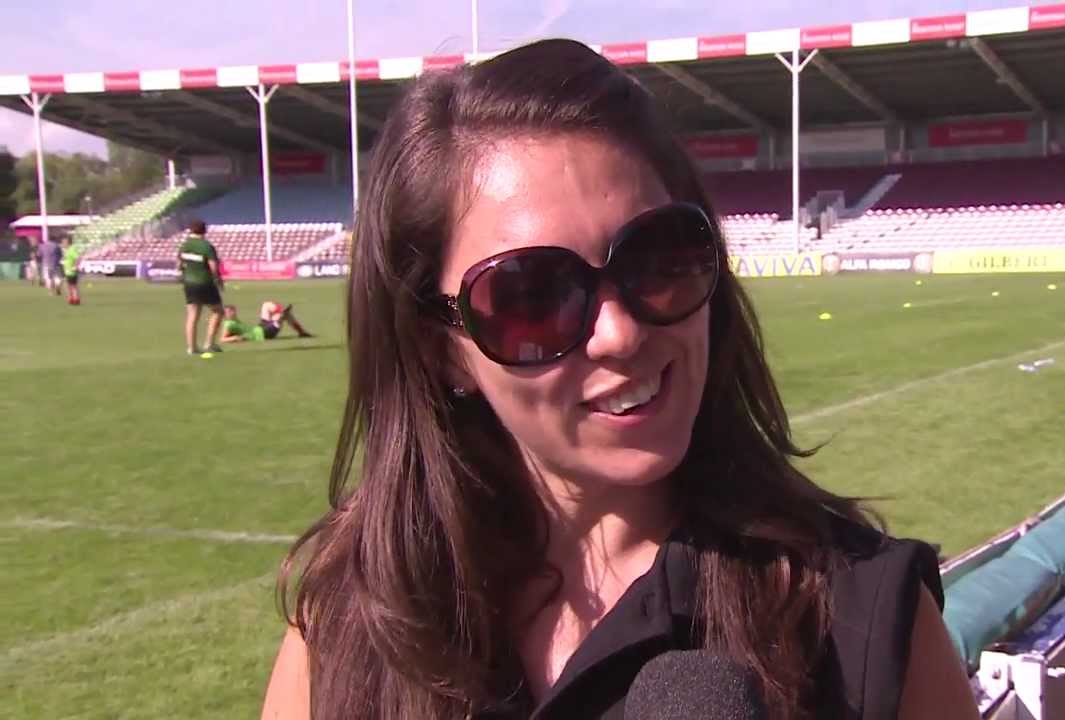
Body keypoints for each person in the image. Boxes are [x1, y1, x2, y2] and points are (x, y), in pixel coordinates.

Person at [262, 39, 976, 720]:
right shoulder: (346, 624)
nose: (621, 333)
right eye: (532, 296)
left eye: (659, 257)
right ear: (441, 349)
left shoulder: (863, 623)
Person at [177, 219, 225, 355]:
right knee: (218, 311)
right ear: (205, 230)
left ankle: (192, 347)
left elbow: (179, 264)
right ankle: (209, 343)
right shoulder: (206, 246)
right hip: (205, 282)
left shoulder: (185, 245)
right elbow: (213, 267)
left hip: (189, 283)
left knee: (192, 315)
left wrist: (185, 273)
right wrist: (219, 280)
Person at [220, 302, 313, 344]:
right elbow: (223, 339)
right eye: (228, 312)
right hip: (263, 334)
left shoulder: (234, 320)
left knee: (266, 305)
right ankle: (301, 332)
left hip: (259, 328)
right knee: (284, 316)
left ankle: (281, 312)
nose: (231, 313)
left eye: (232, 311)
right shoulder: (228, 324)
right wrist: (235, 338)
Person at [60, 238, 83, 305]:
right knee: (72, 285)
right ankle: (75, 299)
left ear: (68, 243)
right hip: (68, 270)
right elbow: (68, 258)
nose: (62, 244)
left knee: (69, 285)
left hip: (70, 271)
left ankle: (72, 298)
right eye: (62, 242)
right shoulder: (68, 250)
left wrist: (75, 266)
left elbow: (78, 258)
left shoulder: (71, 250)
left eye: (64, 243)